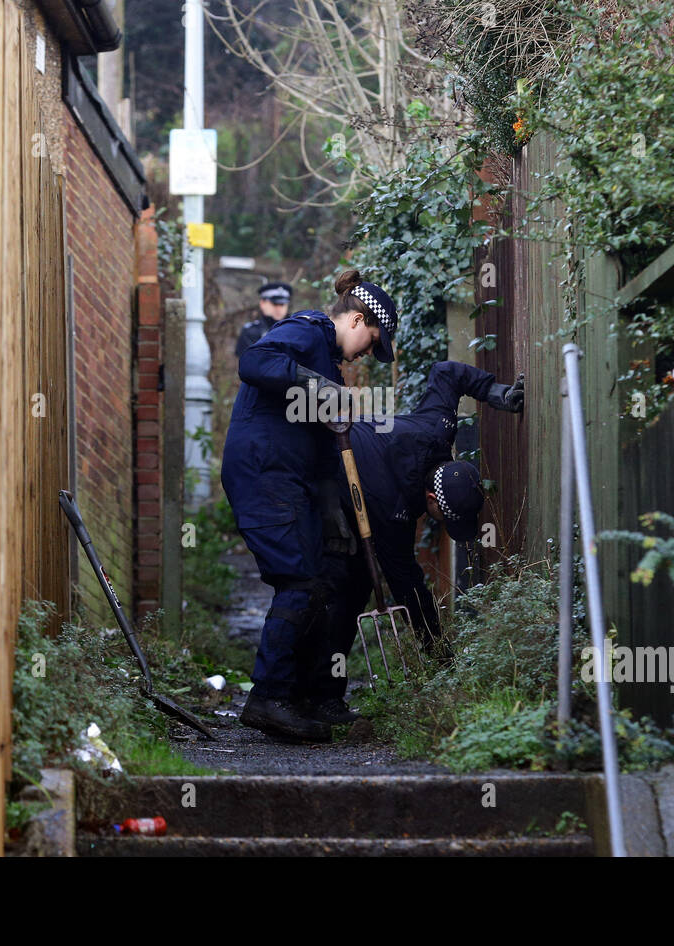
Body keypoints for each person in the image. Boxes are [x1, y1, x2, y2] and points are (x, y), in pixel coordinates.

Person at [221, 270, 399, 742]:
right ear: (357, 318)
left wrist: (332, 506)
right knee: (299, 582)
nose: (365, 353)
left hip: (288, 479)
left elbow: (320, 444)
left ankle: (298, 698)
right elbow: (255, 361)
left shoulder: (325, 359)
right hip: (264, 474)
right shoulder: (308, 329)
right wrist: (319, 387)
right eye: (370, 342)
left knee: (319, 582)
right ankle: (268, 699)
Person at [298, 361, 524, 725]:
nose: (446, 526)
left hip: (352, 468)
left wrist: (497, 394)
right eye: (447, 518)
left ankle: (314, 693)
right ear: (431, 500)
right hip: (316, 475)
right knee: (342, 589)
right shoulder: (395, 507)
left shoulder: (438, 430)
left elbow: (446, 373)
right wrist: (440, 656)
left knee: (349, 588)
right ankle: (316, 697)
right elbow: (409, 588)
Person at [235, 282, 292, 358]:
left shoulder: (297, 329)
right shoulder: (251, 331)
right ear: (262, 304)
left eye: (282, 304)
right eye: (274, 304)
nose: (279, 308)